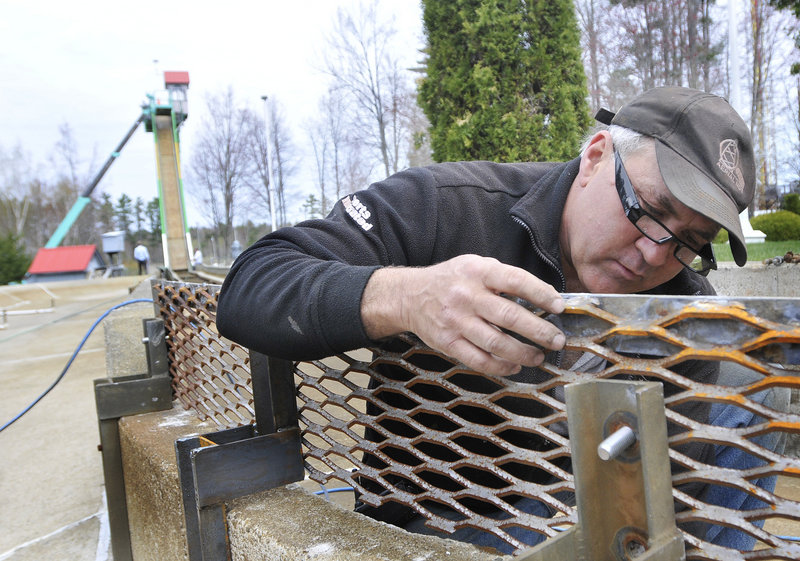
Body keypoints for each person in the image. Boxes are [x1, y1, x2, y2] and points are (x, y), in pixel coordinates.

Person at [216, 87, 760, 551]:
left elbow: (667, 497)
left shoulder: (684, 305)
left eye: (689, 242)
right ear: (596, 156)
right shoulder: (447, 205)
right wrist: (410, 296)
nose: (653, 255)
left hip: (593, 525)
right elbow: (253, 283)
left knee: (747, 415)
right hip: (432, 532)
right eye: (649, 209)